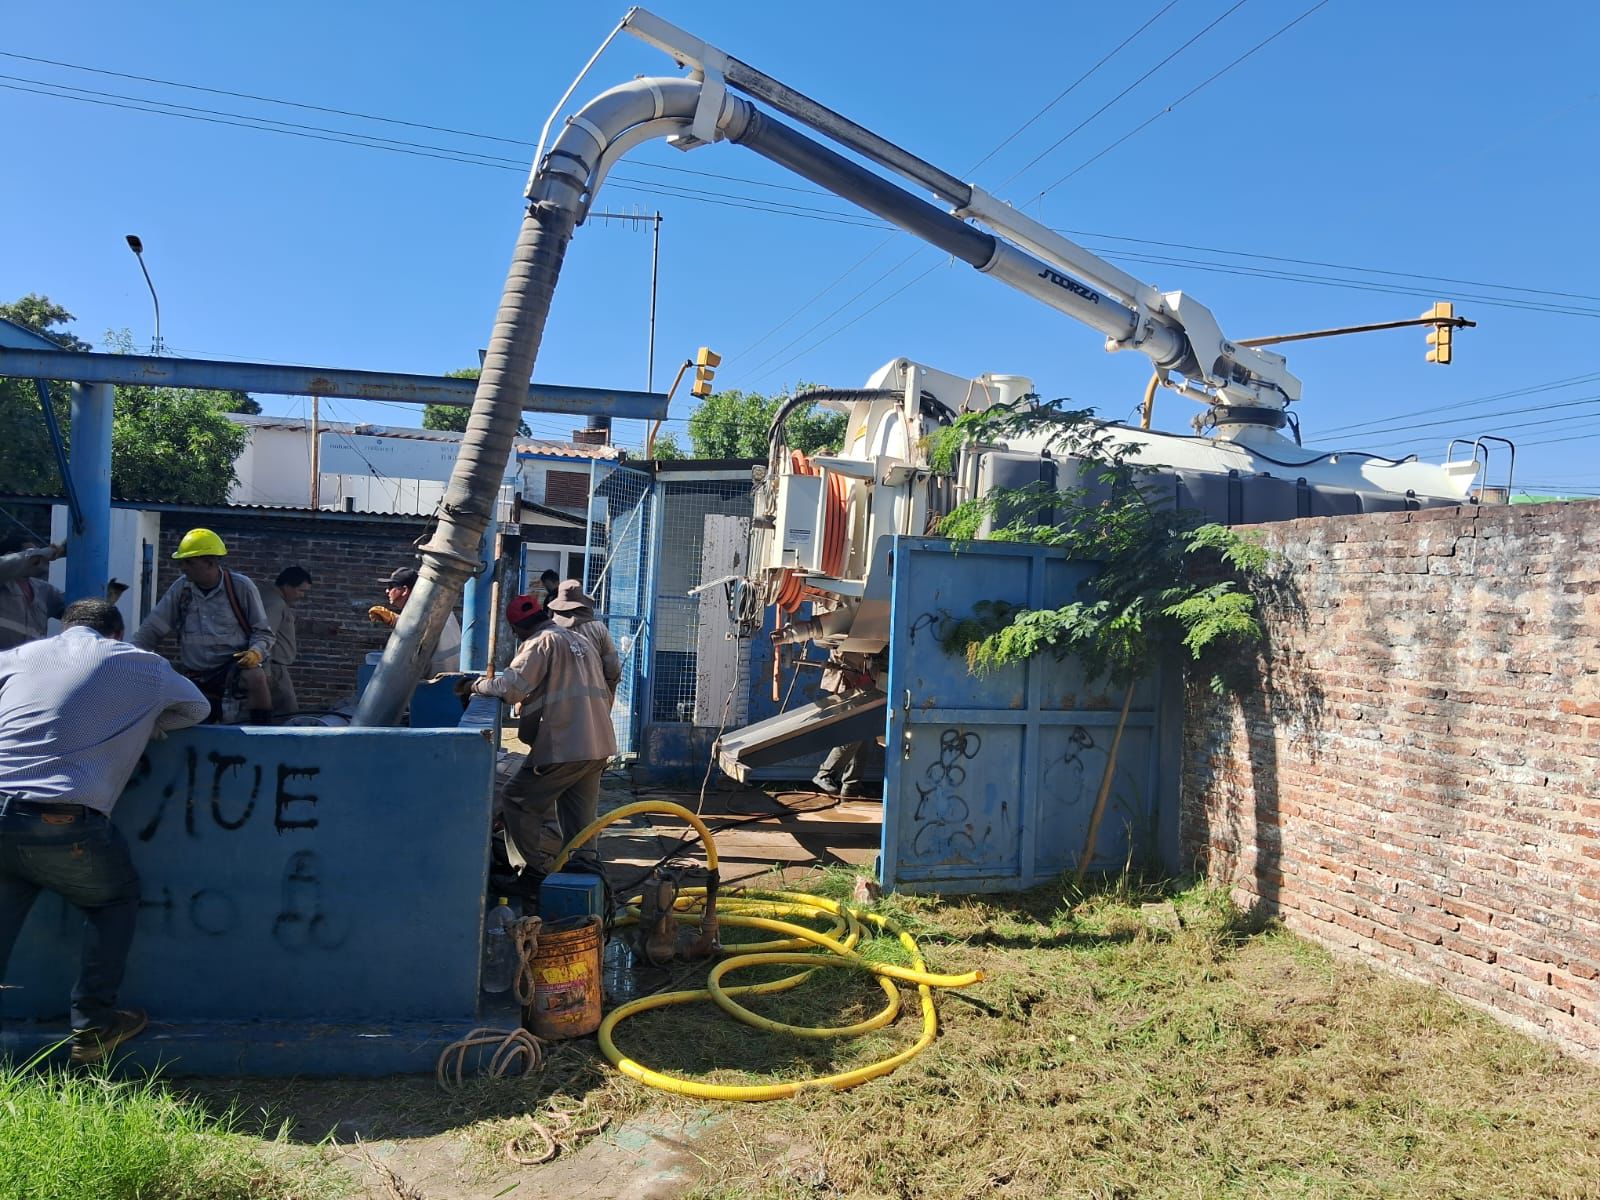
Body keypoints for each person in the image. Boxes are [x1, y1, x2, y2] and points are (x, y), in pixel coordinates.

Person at [0, 599, 210, 1064]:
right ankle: (93, 1026)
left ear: (64, 628)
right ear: (117, 632)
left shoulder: (17, 656)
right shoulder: (141, 664)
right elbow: (198, 707)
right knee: (112, 900)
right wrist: (149, 723)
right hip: (64, 821)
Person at [472, 593, 616, 879]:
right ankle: (585, 878)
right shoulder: (581, 640)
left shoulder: (540, 642)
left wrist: (476, 686)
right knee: (581, 821)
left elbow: (511, 689)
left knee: (516, 799)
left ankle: (529, 874)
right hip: (598, 744)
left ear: (518, 629)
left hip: (565, 746)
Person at [130, 529, 274, 724]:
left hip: (232, 670)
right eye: (182, 562)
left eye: (189, 562)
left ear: (210, 563)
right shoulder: (181, 589)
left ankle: (262, 730)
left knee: (255, 677)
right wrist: (127, 659)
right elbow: (152, 630)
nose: (183, 567)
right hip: (194, 674)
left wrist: (256, 653)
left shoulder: (240, 587)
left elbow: (263, 633)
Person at [811, 651, 881, 798]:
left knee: (865, 734)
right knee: (855, 731)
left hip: (865, 678)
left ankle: (851, 785)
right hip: (850, 678)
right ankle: (825, 773)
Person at [369, 566, 461, 676]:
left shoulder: (423, 611)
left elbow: (416, 628)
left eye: (391, 586)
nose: (387, 591)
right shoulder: (438, 607)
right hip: (451, 676)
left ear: (404, 590)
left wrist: (393, 619)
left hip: (435, 678)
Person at [549, 579, 621, 699]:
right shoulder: (598, 628)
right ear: (584, 605)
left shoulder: (549, 633)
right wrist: (609, 692)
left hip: (557, 699)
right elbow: (612, 666)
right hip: (593, 698)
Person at [262, 566, 313, 718]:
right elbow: (264, 637)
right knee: (286, 716)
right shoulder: (275, 604)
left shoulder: (271, 599)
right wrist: (266, 672)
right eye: (300, 590)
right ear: (286, 586)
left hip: (272, 667)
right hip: (274, 669)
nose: (302, 595)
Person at [0, 532, 67, 651]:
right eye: (31, 552)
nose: (42, 559)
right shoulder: (3, 582)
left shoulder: (44, 590)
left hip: (30, 661)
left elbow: (74, 608)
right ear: (10, 556)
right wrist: (49, 552)